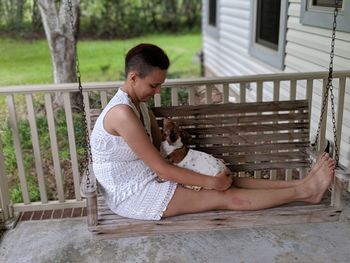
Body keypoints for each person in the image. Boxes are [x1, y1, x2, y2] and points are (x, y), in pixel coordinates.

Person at [90, 43, 335, 220]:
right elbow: (161, 167)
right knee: (223, 195)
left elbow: (160, 151)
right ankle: (306, 192)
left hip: (152, 176)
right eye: (154, 85)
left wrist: (198, 169)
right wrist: (209, 182)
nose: (157, 93)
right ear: (133, 77)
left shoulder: (139, 106)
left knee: (229, 180)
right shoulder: (122, 114)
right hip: (133, 193)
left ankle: (302, 183)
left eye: (160, 85)